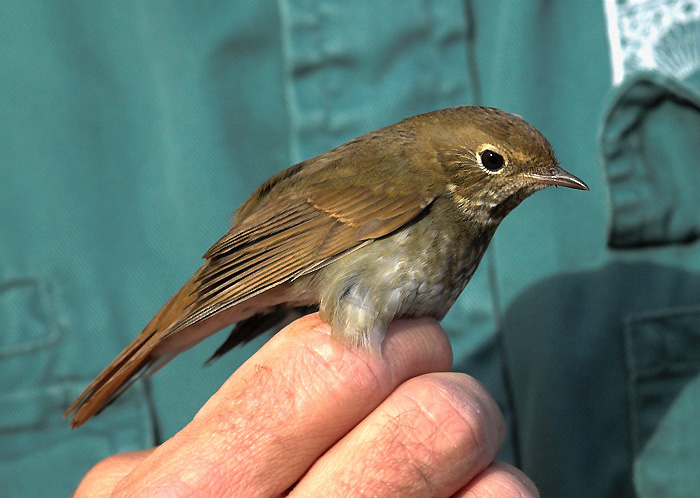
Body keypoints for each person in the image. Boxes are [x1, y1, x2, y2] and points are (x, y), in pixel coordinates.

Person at [2, 2, 699, 496]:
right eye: (496, 163)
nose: (522, 180)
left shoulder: (468, 212)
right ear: (458, 161)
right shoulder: (416, 179)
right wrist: (222, 300)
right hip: (284, 253)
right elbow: (300, 233)